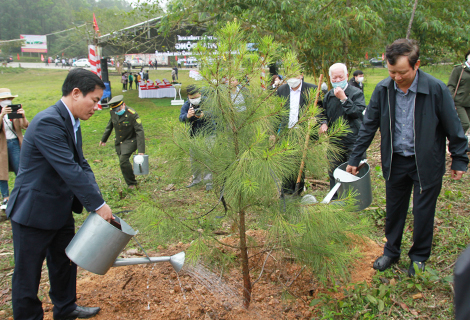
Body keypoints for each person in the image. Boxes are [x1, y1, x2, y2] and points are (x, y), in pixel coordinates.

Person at [346, 39, 468, 276]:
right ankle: (391, 251)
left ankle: (419, 257)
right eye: (392, 72)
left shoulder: (435, 89)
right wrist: (355, 157)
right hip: (396, 161)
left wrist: (460, 158)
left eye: (402, 72)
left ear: (417, 65)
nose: (397, 77)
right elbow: (368, 126)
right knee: (394, 210)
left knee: (423, 212)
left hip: (427, 162)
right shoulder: (383, 90)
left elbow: (454, 126)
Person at [6, 68, 113, 320]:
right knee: (27, 272)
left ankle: (65, 308)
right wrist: (98, 206)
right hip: (33, 211)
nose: (96, 107)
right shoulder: (48, 122)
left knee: (65, 262)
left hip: (60, 207)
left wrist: (99, 199)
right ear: (76, 93)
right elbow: (68, 169)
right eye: (94, 100)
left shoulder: (72, 121)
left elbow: (81, 164)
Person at [319, 63, 366, 200]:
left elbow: (357, 113)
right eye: (334, 78)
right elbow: (322, 113)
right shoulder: (328, 96)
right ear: (330, 78)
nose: (337, 80)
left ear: (346, 76)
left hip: (353, 141)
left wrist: (344, 98)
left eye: (340, 77)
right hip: (334, 142)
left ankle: (356, 201)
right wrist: (323, 123)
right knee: (334, 171)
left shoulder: (356, 93)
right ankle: (335, 200)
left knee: (354, 172)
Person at [276, 73, 317, 196]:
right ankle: (285, 194)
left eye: (295, 75)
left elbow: (319, 110)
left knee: (300, 165)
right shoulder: (282, 90)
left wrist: (316, 121)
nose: (292, 78)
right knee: (286, 164)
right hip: (286, 132)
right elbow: (278, 112)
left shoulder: (311, 89)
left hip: (302, 133)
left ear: (301, 75)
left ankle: (297, 193)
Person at [99, 95, 145, 189]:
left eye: (118, 109)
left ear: (123, 105)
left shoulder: (132, 114)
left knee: (123, 160)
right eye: (115, 110)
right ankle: (130, 176)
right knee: (123, 162)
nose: (117, 112)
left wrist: (141, 150)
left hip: (131, 140)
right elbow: (110, 125)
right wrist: (104, 139)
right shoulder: (113, 112)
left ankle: (132, 183)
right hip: (119, 142)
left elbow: (140, 132)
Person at [179, 85, 213, 189]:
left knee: (208, 157)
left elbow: (215, 113)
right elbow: (181, 118)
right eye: (192, 98)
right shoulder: (186, 105)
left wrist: (204, 114)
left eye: (196, 97)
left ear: (200, 94)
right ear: (188, 96)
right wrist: (187, 116)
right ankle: (196, 180)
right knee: (194, 159)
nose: (194, 100)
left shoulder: (208, 101)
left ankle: (209, 182)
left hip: (209, 133)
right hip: (194, 135)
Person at [0, 88, 29, 210]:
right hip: (2, 144)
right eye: (4, 99)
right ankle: (5, 198)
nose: (6, 101)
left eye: (8, 99)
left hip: (15, 143)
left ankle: (22, 195)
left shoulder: (15, 111)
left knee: (20, 169)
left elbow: (25, 126)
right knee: (2, 172)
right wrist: (2, 115)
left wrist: (22, 116)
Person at [448, 50, 470, 134]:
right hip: (459, 102)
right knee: (465, 124)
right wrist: (452, 100)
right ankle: (456, 139)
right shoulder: (459, 69)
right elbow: (451, 85)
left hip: (468, 102)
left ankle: (460, 143)